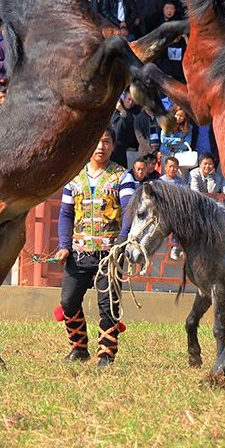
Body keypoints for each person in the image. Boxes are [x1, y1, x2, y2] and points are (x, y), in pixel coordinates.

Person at [50, 129, 132, 366]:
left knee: (107, 304)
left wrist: (121, 241)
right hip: (79, 252)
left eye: (106, 141)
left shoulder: (122, 177)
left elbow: (129, 211)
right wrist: (64, 245)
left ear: (113, 146)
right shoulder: (74, 178)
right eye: (96, 141)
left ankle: (106, 354)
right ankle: (78, 348)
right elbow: (66, 214)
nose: (100, 146)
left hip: (110, 254)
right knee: (68, 300)